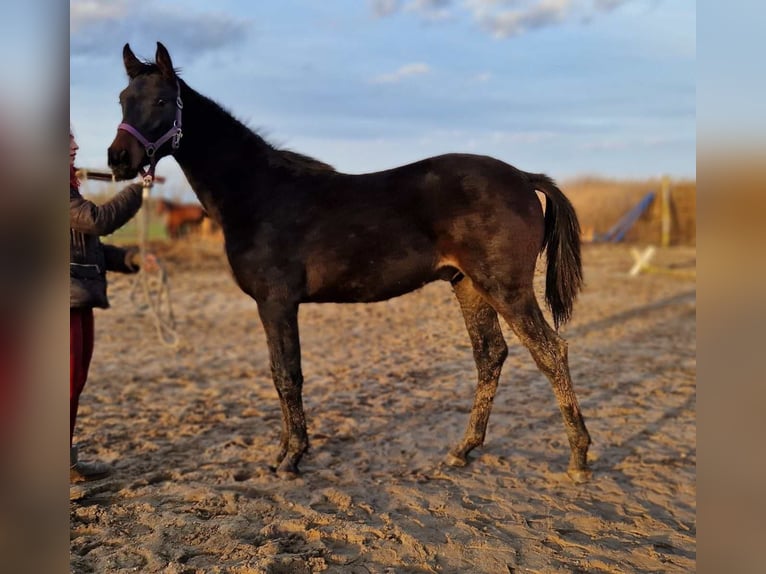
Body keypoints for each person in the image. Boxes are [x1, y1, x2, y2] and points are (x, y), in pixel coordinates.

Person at [69, 125, 156, 482]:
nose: (75, 144)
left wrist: (131, 259)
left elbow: (88, 248)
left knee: (72, 382)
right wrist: (138, 190)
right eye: (65, 139)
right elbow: (97, 221)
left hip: (75, 296)